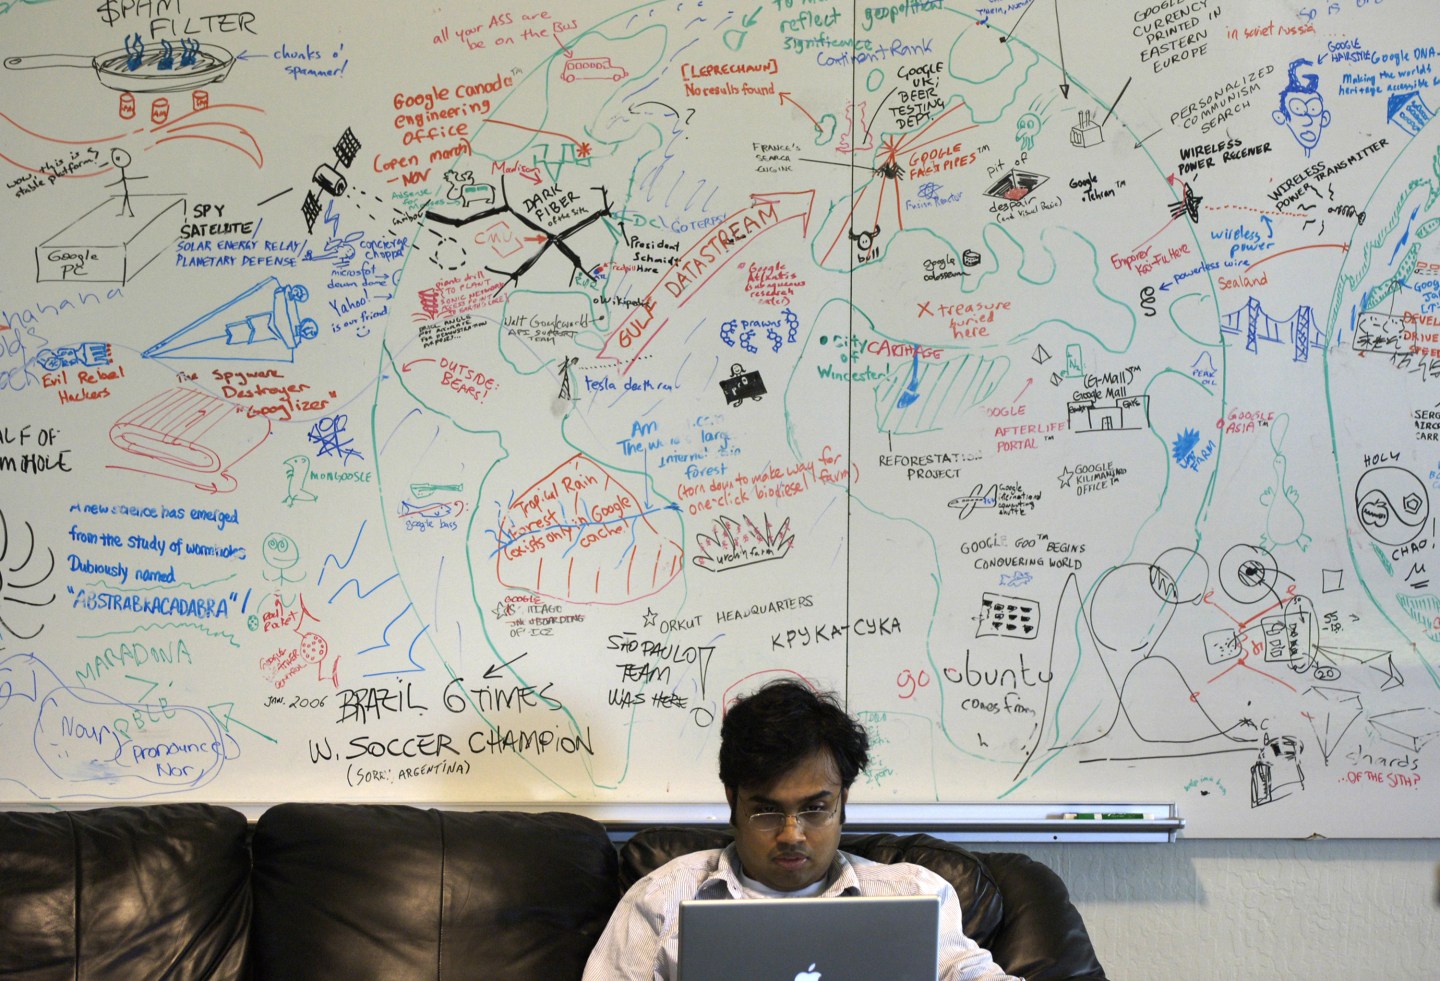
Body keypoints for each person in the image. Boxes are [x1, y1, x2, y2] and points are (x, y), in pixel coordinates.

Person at [582, 678, 1023, 980]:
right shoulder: (661, 899)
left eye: (815, 809)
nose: (792, 834)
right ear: (732, 801)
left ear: (842, 802)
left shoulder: (914, 896)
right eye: (767, 811)